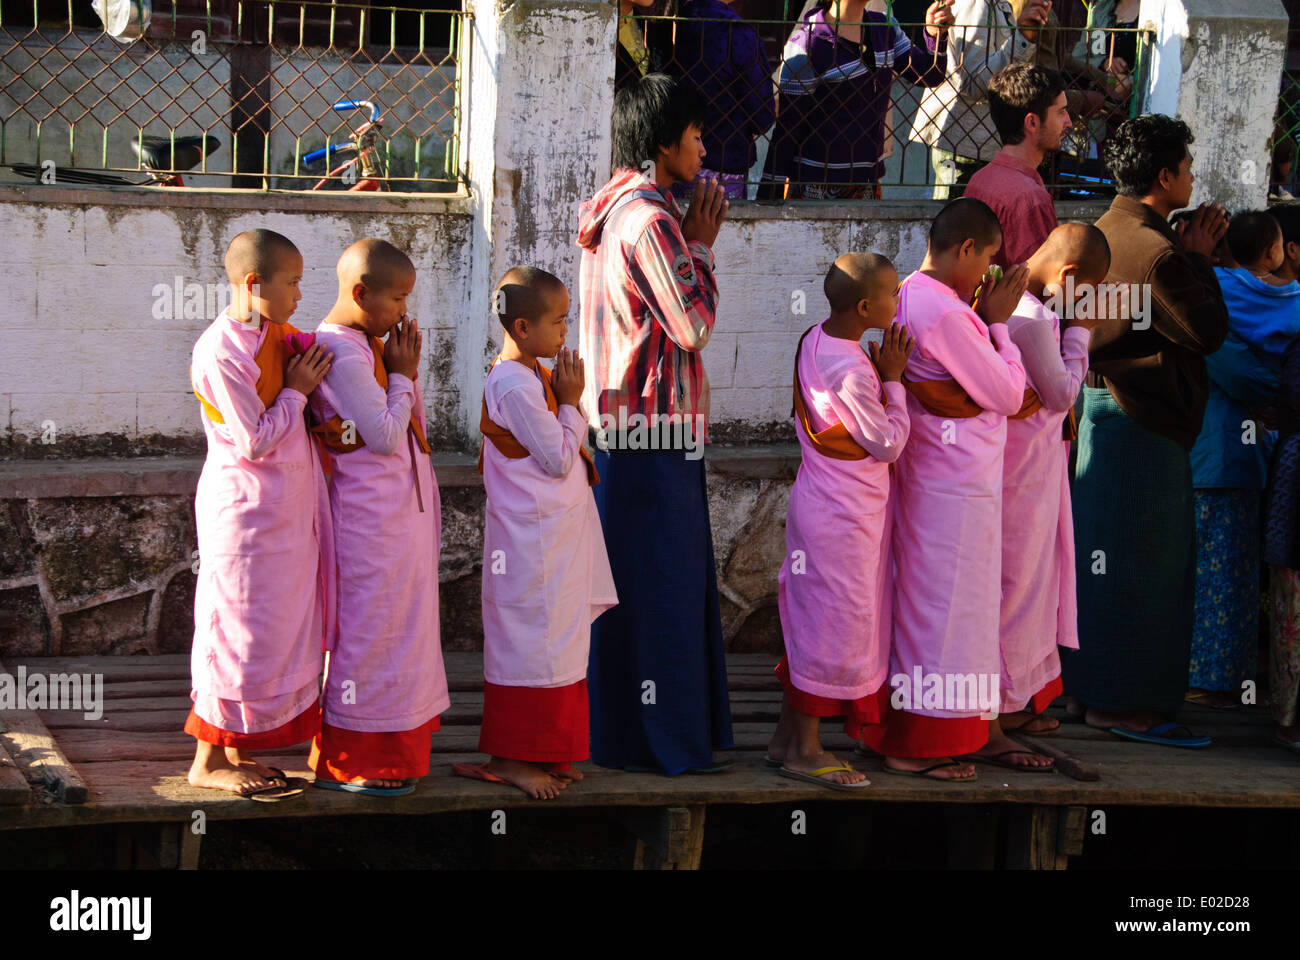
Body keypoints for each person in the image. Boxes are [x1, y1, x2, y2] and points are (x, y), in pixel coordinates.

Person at [576, 73, 734, 774]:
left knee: (638, 590)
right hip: (653, 434)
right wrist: (700, 246)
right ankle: (660, 746)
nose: (704, 147)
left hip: (624, 433)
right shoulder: (651, 221)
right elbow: (694, 326)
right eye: (695, 134)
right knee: (662, 592)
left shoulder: (614, 211)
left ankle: (626, 737)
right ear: (664, 143)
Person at [1063, 114, 1229, 747]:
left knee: (1100, 567)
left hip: (1100, 421)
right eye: (1186, 168)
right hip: (1144, 429)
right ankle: (1125, 707)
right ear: (1165, 176)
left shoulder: (1102, 233)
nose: (1191, 178)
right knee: (1145, 573)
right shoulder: (1159, 255)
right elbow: (1206, 333)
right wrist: (1199, 259)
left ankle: (1087, 694)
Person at [860, 198, 1029, 780]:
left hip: (935, 479)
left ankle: (934, 729)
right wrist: (1000, 323)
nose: (988, 274)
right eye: (987, 259)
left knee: (932, 604)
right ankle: (915, 743)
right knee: (946, 609)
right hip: (952, 488)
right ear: (965, 250)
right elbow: (1008, 395)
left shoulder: (910, 292)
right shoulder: (948, 313)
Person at [453, 267, 618, 799]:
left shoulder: (529, 375)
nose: (565, 332)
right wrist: (571, 401)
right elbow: (554, 456)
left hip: (553, 541)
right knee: (532, 647)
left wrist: (566, 399)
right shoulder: (514, 383)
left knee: (561, 646)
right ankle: (511, 760)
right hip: (533, 547)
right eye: (559, 321)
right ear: (522, 327)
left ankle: (551, 752)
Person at [186, 228, 334, 800]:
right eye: (291, 283)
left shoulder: (274, 333)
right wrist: (296, 391)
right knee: (234, 631)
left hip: (284, 514)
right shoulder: (220, 350)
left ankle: (234, 751)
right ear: (253, 284)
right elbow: (254, 440)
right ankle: (206, 760)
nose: (300, 295)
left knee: (271, 632)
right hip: (245, 515)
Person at [308, 238, 450, 796]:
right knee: (368, 633)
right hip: (368, 522)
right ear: (361, 293)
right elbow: (387, 437)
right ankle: (350, 761)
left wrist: (399, 371)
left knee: (404, 633)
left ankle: (397, 754)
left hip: (399, 518)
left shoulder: (366, 344)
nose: (404, 313)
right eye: (397, 299)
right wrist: (404, 373)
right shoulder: (340, 351)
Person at [767, 253, 913, 790]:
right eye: (894, 295)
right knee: (830, 625)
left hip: (821, 502)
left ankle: (784, 739)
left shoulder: (815, 338)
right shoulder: (852, 369)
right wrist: (893, 382)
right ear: (866, 307)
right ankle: (805, 750)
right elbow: (889, 443)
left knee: (813, 618)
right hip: (842, 516)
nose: (899, 304)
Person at [995, 222, 1110, 764]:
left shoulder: (1012, 300)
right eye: (1083, 291)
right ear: (1067, 276)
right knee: (1020, 582)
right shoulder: (1032, 317)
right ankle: (1006, 701)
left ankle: (1020, 697)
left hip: (1028, 465)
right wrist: (1080, 331)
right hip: (1022, 474)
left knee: (1033, 580)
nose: (1082, 302)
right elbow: (1062, 392)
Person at [1189, 212, 1295, 707]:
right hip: (1227, 453)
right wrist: (1281, 398)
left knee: (1224, 569)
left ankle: (1217, 678)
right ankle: (1214, 682)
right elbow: (1233, 366)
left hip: (1230, 451)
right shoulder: (1282, 301)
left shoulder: (1221, 292)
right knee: (1225, 571)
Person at [759, 0, 952, 200]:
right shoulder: (807, 44)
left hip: (867, 183)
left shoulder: (884, 29)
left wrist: (935, 34)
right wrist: (766, 202)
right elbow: (787, 131)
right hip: (815, 186)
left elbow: (930, 75)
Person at [912, 0, 1051, 199]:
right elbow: (974, 85)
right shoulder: (975, 4)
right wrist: (1022, 37)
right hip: (966, 148)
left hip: (982, 143)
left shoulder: (998, 4)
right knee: (960, 224)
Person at [667, 0, 775, 202]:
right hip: (723, 171)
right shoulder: (739, 35)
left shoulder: (672, 22)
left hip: (671, 165)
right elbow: (762, 116)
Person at [963, 62, 1069, 267]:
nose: (1068, 122)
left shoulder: (981, 178)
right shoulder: (1028, 198)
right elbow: (1042, 283)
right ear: (1032, 123)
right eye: (1061, 112)